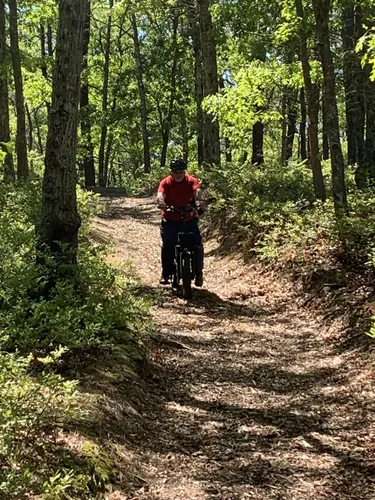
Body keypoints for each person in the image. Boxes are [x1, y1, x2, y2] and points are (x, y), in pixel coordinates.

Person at [156, 158, 204, 287]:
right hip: (170, 218)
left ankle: (199, 273)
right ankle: (166, 274)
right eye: (175, 172)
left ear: (184, 172)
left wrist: (201, 201)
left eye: (181, 172)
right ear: (171, 172)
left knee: (197, 243)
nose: (178, 174)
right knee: (168, 244)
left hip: (189, 218)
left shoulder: (191, 180)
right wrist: (161, 202)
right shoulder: (166, 182)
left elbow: (197, 191)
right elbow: (160, 194)